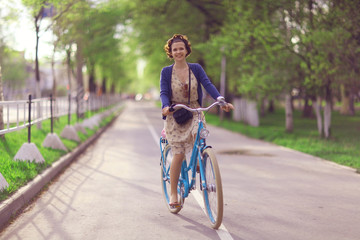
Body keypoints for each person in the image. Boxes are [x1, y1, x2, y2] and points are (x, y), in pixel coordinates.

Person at [160, 34, 233, 208]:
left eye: (181, 48)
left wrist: (220, 99)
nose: (178, 51)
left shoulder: (196, 69)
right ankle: (173, 192)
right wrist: (165, 106)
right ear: (171, 52)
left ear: (186, 51)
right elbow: (163, 92)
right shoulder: (166, 72)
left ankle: (200, 160)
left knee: (198, 139)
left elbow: (207, 84)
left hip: (194, 111)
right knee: (178, 154)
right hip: (175, 113)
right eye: (175, 49)